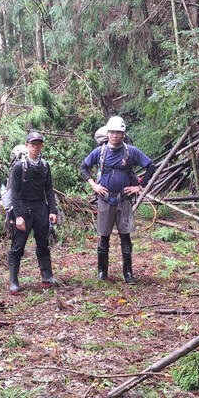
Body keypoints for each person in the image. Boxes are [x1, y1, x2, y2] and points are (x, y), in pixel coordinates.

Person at [80, 116, 156, 284]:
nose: (115, 135)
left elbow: (151, 166)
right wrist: (93, 185)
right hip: (105, 198)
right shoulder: (100, 152)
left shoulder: (131, 151)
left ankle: (128, 273)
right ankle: (102, 272)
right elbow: (83, 167)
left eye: (118, 132)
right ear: (107, 133)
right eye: (112, 132)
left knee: (125, 236)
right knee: (103, 236)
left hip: (124, 199)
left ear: (123, 134)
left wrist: (139, 186)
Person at [7, 131, 59, 295]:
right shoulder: (19, 166)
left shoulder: (44, 166)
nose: (35, 147)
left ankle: (47, 276)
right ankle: (14, 282)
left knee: (43, 244)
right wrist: (18, 216)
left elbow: (49, 189)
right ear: (27, 145)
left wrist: (52, 210)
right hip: (23, 207)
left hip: (40, 208)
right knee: (18, 246)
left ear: (41, 146)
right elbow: (14, 193)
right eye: (32, 144)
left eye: (38, 144)